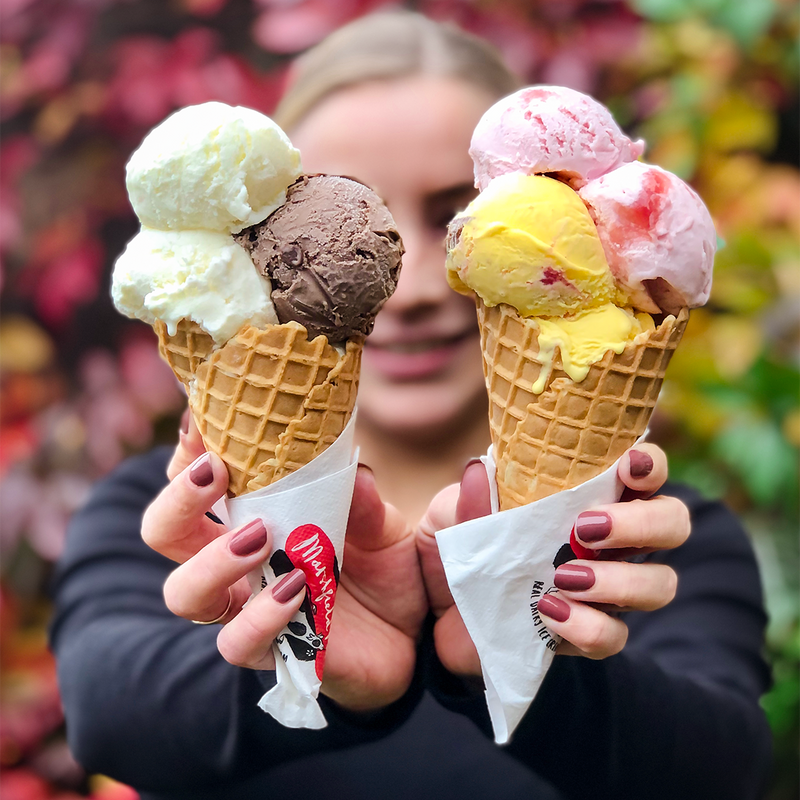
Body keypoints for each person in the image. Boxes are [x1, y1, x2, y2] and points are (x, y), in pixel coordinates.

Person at [49, 10, 772, 800]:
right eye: (356, 219)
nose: (415, 285)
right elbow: (106, 714)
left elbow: (724, 764)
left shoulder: (647, 539)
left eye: (453, 218)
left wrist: (512, 645)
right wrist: (309, 654)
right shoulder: (177, 521)